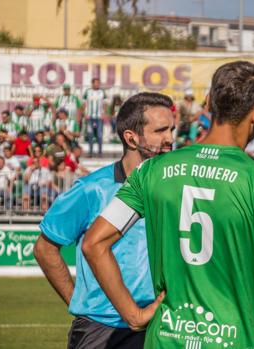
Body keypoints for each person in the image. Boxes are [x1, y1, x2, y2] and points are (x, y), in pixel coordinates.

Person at [81, 61, 254, 349]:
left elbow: (93, 243)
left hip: (168, 337)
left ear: (209, 104)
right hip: (230, 339)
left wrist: (133, 315)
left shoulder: (151, 171)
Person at [34, 92, 176, 349]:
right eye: (160, 130)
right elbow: (45, 248)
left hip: (163, 325)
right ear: (131, 138)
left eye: (172, 129)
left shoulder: (177, 188)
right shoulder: (92, 188)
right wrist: (79, 300)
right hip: (101, 329)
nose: (170, 138)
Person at [83, 78, 107, 157]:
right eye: (96, 83)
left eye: (98, 83)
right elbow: (84, 103)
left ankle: (100, 152)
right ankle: (90, 153)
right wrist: (85, 114)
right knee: (90, 134)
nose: (97, 84)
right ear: (92, 83)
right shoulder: (88, 92)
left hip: (99, 117)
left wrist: (104, 114)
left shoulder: (102, 92)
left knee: (99, 135)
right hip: (90, 117)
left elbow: (105, 103)